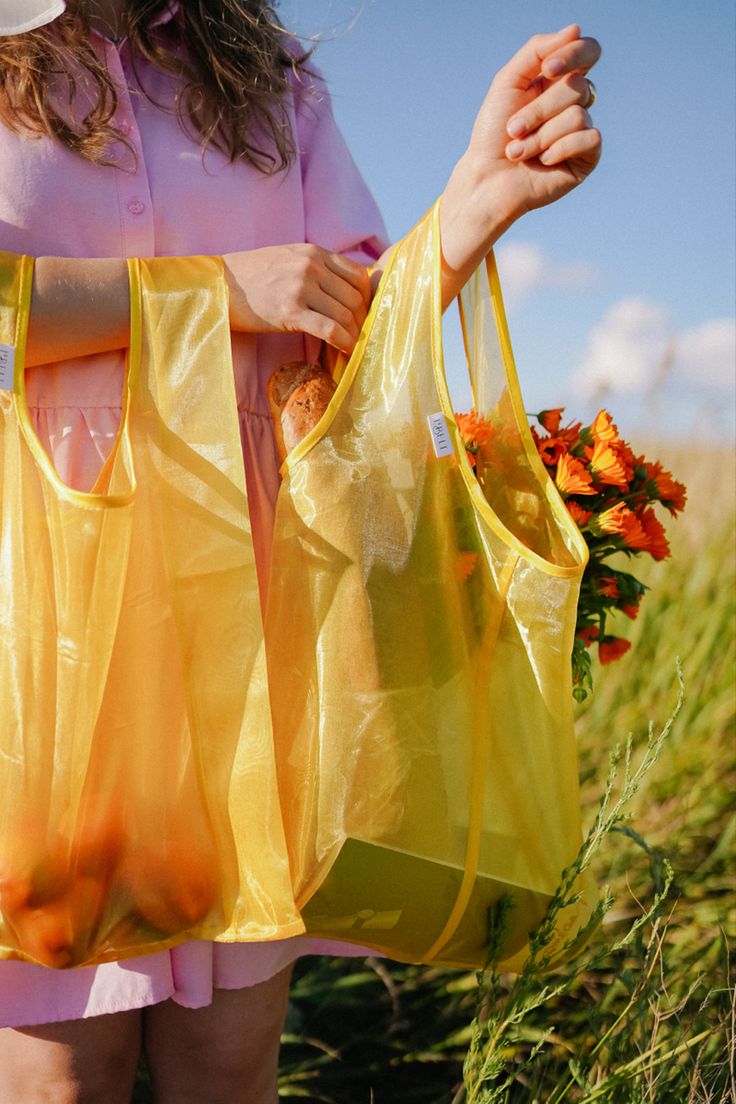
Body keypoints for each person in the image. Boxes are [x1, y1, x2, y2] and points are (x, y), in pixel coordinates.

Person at [0, 2, 601, 1101]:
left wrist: (480, 190)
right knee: (56, 1074)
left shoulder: (261, 74)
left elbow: (343, 325)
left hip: (252, 611)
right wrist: (213, 291)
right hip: (47, 617)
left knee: (228, 1067)